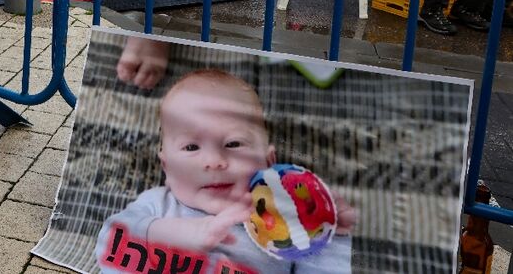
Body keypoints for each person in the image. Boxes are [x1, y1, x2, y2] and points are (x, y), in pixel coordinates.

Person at [95, 69, 354, 274]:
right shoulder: (158, 204)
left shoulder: (286, 220)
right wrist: (179, 233)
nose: (214, 161)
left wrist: (329, 237)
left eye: (233, 144)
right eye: (191, 146)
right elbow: (109, 242)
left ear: (268, 161)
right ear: (167, 167)